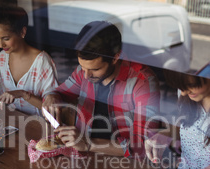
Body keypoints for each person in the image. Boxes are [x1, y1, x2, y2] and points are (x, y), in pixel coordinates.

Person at [42, 21, 160, 157]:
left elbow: (142, 145)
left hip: (125, 164)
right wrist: (51, 96)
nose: (86, 75)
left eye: (95, 69)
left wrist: (88, 143)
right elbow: (57, 93)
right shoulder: (84, 71)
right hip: (85, 157)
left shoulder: (142, 81)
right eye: (83, 67)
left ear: (115, 57)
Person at [0, 5, 58, 115]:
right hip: (12, 123)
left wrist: (23, 94)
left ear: (22, 32)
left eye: (6, 38)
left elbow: (52, 107)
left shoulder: (42, 62)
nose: (1, 44)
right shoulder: (2, 58)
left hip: (37, 126)